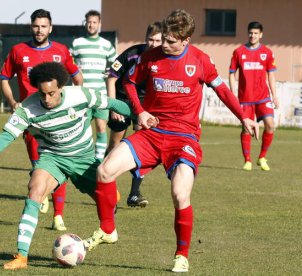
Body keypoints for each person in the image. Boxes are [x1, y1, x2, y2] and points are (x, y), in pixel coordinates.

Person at [83, 9, 259, 273]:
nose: (164, 44)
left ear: (185, 40)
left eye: (170, 41)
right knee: (105, 171)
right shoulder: (149, 57)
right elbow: (129, 82)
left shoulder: (201, 60)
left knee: (180, 194)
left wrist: (244, 117)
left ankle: (182, 254)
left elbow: (222, 89)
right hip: (152, 133)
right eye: (163, 38)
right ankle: (108, 229)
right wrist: (140, 111)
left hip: (184, 137)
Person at [0, 62, 132, 270]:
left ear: (61, 87)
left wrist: (138, 116)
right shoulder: (28, 108)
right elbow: (6, 136)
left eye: (52, 93)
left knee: (112, 201)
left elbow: (115, 104)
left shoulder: (81, 95)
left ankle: (109, 218)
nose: (47, 99)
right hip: (53, 158)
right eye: (42, 94)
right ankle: (22, 256)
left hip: (84, 160)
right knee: (35, 190)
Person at [0, 9, 84, 231]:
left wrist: (76, 102)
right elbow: (4, 78)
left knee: (60, 163)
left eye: (43, 26)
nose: (39, 30)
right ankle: (43, 194)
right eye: (36, 26)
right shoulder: (18, 51)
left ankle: (58, 215)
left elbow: (77, 77)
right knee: (39, 163)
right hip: (32, 120)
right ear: (31, 27)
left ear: (51, 28)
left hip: (58, 118)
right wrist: (13, 102)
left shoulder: (61, 51)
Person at [106, 21, 162, 208]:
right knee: (114, 146)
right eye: (151, 39)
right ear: (145, 38)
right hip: (122, 102)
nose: (153, 44)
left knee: (141, 148)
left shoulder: (163, 59)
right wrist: (113, 106)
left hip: (144, 107)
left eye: (157, 40)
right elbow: (112, 77)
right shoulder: (132, 54)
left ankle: (134, 194)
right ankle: (105, 187)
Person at [229, 21, 278, 171]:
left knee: (270, 125)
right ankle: (248, 160)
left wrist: (274, 96)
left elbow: (271, 75)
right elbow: (232, 74)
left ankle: (262, 157)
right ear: (248, 33)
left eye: (256, 33)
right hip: (245, 98)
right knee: (246, 129)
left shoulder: (267, 53)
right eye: (251, 32)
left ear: (261, 35)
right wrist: (232, 93)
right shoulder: (238, 52)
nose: (253, 35)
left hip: (263, 97)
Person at [71, 10, 117, 161]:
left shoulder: (106, 45)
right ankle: (81, 158)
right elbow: (68, 64)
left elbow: (116, 64)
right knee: (82, 129)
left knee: (101, 128)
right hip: (82, 94)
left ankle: (97, 162)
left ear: (99, 24)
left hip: (100, 94)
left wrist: (110, 73)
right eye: (89, 22)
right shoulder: (77, 44)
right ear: (85, 23)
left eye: (94, 22)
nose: (91, 25)